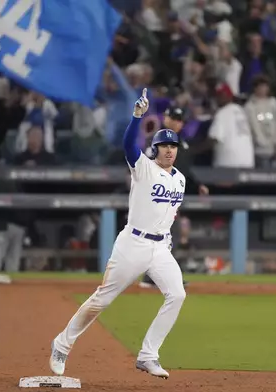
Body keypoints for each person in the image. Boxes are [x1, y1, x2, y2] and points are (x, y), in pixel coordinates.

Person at [49, 89, 187, 379]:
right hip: (133, 243)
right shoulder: (144, 168)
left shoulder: (181, 179)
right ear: (155, 149)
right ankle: (62, 343)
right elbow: (128, 146)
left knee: (177, 294)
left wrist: (167, 237)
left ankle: (148, 355)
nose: (170, 150)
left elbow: (169, 214)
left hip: (160, 248)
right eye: (164, 146)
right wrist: (137, 117)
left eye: (173, 147)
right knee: (102, 299)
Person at [139, 105, 208, 289]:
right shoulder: (156, 140)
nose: (178, 123)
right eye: (174, 118)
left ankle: (161, 277)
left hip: (172, 196)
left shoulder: (182, 143)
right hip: (157, 195)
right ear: (166, 118)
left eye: (181, 120)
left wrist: (198, 184)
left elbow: (184, 169)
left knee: (171, 237)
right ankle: (153, 277)